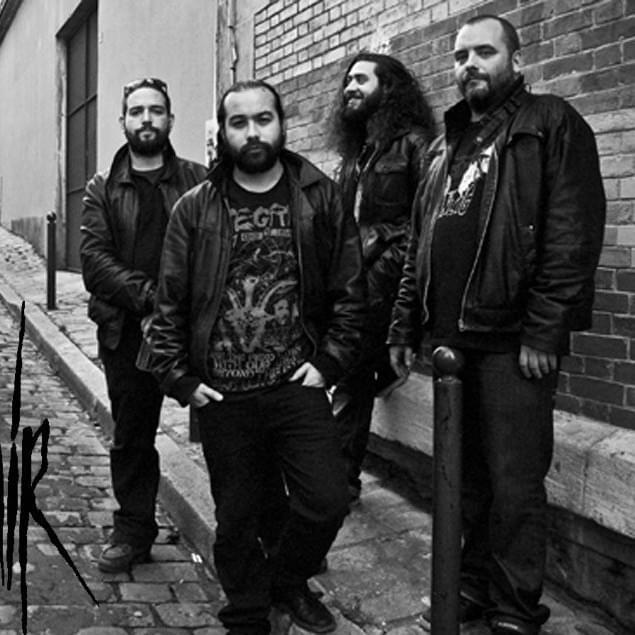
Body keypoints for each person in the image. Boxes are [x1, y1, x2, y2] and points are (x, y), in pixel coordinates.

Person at [388, 15, 605, 635]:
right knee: (465, 483)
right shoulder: (444, 146)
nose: (470, 65)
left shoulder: (549, 123)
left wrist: (545, 329)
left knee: (514, 485)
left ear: (516, 58)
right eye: (460, 56)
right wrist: (404, 327)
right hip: (450, 343)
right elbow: (419, 246)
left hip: (514, 342)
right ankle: (470, 589)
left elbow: (572, 231)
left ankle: (514, 610)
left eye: (484, 51)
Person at [146, 79, 366, 634]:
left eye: (263, 119)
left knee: (326, 500)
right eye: (239, 122)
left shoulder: (318, 196)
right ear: (222, 132)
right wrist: (180, 379)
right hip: (224, 393)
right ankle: (246, 613)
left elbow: (349, 290)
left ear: (281, 124)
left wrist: (330, 362)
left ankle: (287, 581)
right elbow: (170, 303)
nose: (252, 132)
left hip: (297, 383)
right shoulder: (195, 209)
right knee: (238, 517)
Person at [80, 77, 207, 573]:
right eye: (137, 111)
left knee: (225, 432)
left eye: (155, 110)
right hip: (127, 332)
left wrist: (181, 307)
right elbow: (95, 262)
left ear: (170, 119)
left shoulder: (199, 180)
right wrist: (156, 298)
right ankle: (134, 531)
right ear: (124, 122)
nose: (147, 119)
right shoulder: (103, 188)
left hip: (193, 331)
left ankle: (249, 532)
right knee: (133, 436)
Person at [329, 52, 435, 502]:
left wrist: (378, 255)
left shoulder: (416, 145)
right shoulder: (357, 154)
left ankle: (337, 484)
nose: (349, 88)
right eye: (347, 81)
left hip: (386, 282)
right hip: (355, 281)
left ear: (387, 88)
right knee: (348, 376)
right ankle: (338, 481)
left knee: (348, 377)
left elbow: (424, 225)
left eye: (361, 80)